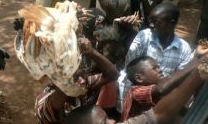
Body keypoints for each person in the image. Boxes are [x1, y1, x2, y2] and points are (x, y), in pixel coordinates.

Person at [65, 44, 208, 124]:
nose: (113, 122)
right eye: (104, 123)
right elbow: (163, 88)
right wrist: (198, 63)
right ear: (139, 78)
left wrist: (197, 62)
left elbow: (157, 115)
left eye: (108, 118)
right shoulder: (136, 92)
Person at [117, 2, 192, 112]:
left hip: (160, 101)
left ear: (172, 23)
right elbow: (130, 66)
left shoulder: (184, 49)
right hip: (133, 93)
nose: (151, 25)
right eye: (150, 20)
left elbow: (179, 80)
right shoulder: (144, 36)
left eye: (157, 22)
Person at [35, 37, 119, 124]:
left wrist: (91, 52)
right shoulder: (43, 105)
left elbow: (113, 75)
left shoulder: (79, 83)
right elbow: (67, 87)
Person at [121, 55, 201, 121]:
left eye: (159, 67)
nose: (160, 70)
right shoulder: (135, 91)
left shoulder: (157, 92)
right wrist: (194, 64)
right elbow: (161, 89)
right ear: (139, 78)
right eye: (154, 68)